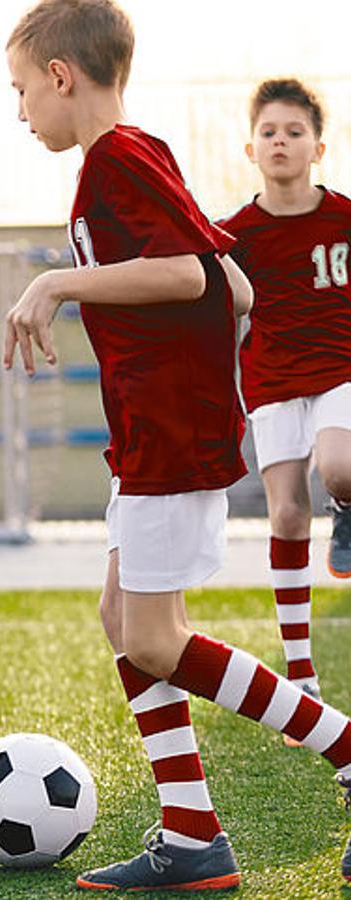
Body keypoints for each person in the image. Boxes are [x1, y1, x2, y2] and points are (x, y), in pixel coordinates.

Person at [4, 1, 351, 889]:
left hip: (169, 433)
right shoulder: (133, 158)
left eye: (20, 91)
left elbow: (192, 275)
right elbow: (233, 286)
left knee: (155, 640)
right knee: (123, 623)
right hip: (152, 430)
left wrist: (57, 284)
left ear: (60, 76)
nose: (19, 113)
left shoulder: (118, 158)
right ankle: (194, 836)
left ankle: (347, 747)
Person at [217, 79, 351, 729]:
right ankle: (300, 667)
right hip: (271, 385)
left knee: (340, 467)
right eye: (269, 131)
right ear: (251, 147)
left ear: (318, 147)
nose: (281, 141)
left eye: (294, 131)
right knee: (288, 515)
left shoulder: (345, 219)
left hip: (339, 375)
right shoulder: (233, 235)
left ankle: (348, 511)